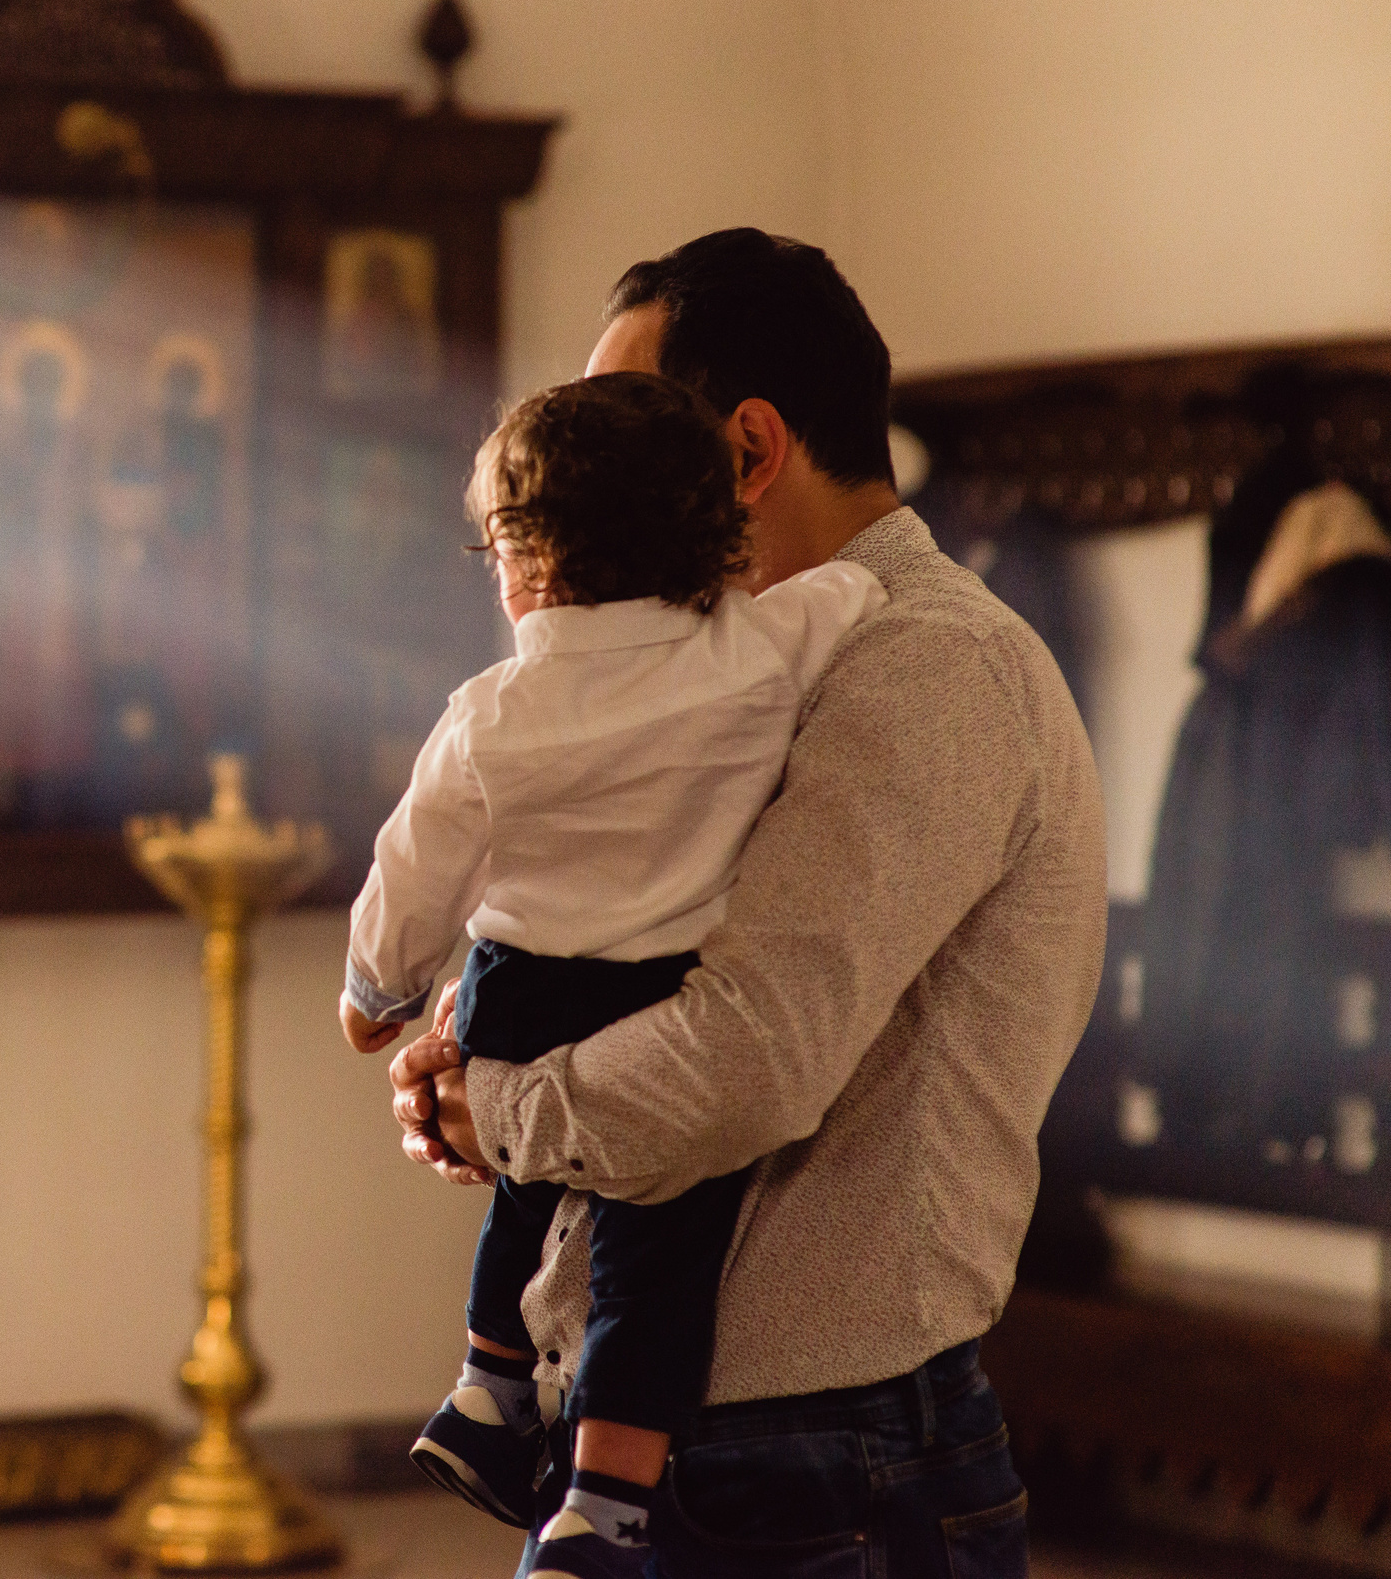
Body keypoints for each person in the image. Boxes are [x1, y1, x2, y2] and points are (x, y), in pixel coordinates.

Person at [389, 229, 1106, 1579]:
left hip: (818, 1461)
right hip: (699, 1435)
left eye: (621, 432)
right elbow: (622, 933)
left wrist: (501, 1105)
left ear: (749, 451)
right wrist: (472, 1025)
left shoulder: (921, 668)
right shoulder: (715, 678)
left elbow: (745, 1054)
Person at [340, 371, 884, 1575]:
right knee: (658, 1257)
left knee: (519, 1184)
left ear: (528, 559)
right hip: (662, 997)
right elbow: (857, 588)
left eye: (494, 544)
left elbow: (412, 865)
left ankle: (488, 1381)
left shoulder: (490, 710)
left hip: (515, 987)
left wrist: (374, 990)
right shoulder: (760, 647)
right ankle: (603, 1497)